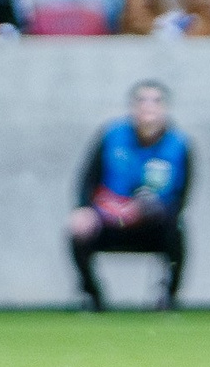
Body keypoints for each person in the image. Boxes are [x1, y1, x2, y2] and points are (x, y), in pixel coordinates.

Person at [68, 81, 193, 311]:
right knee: (78, 227)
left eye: (156, 101)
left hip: (152, 225)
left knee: (177, 229)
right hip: (110, 221)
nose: (148, 107)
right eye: (142, 101)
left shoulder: (179, 145)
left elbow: (181, 196)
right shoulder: (111, 136)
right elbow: (88, 178)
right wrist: (84, 208)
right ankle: (94, 297)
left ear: (165, 108)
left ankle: (168, 299)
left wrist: (148, 209)